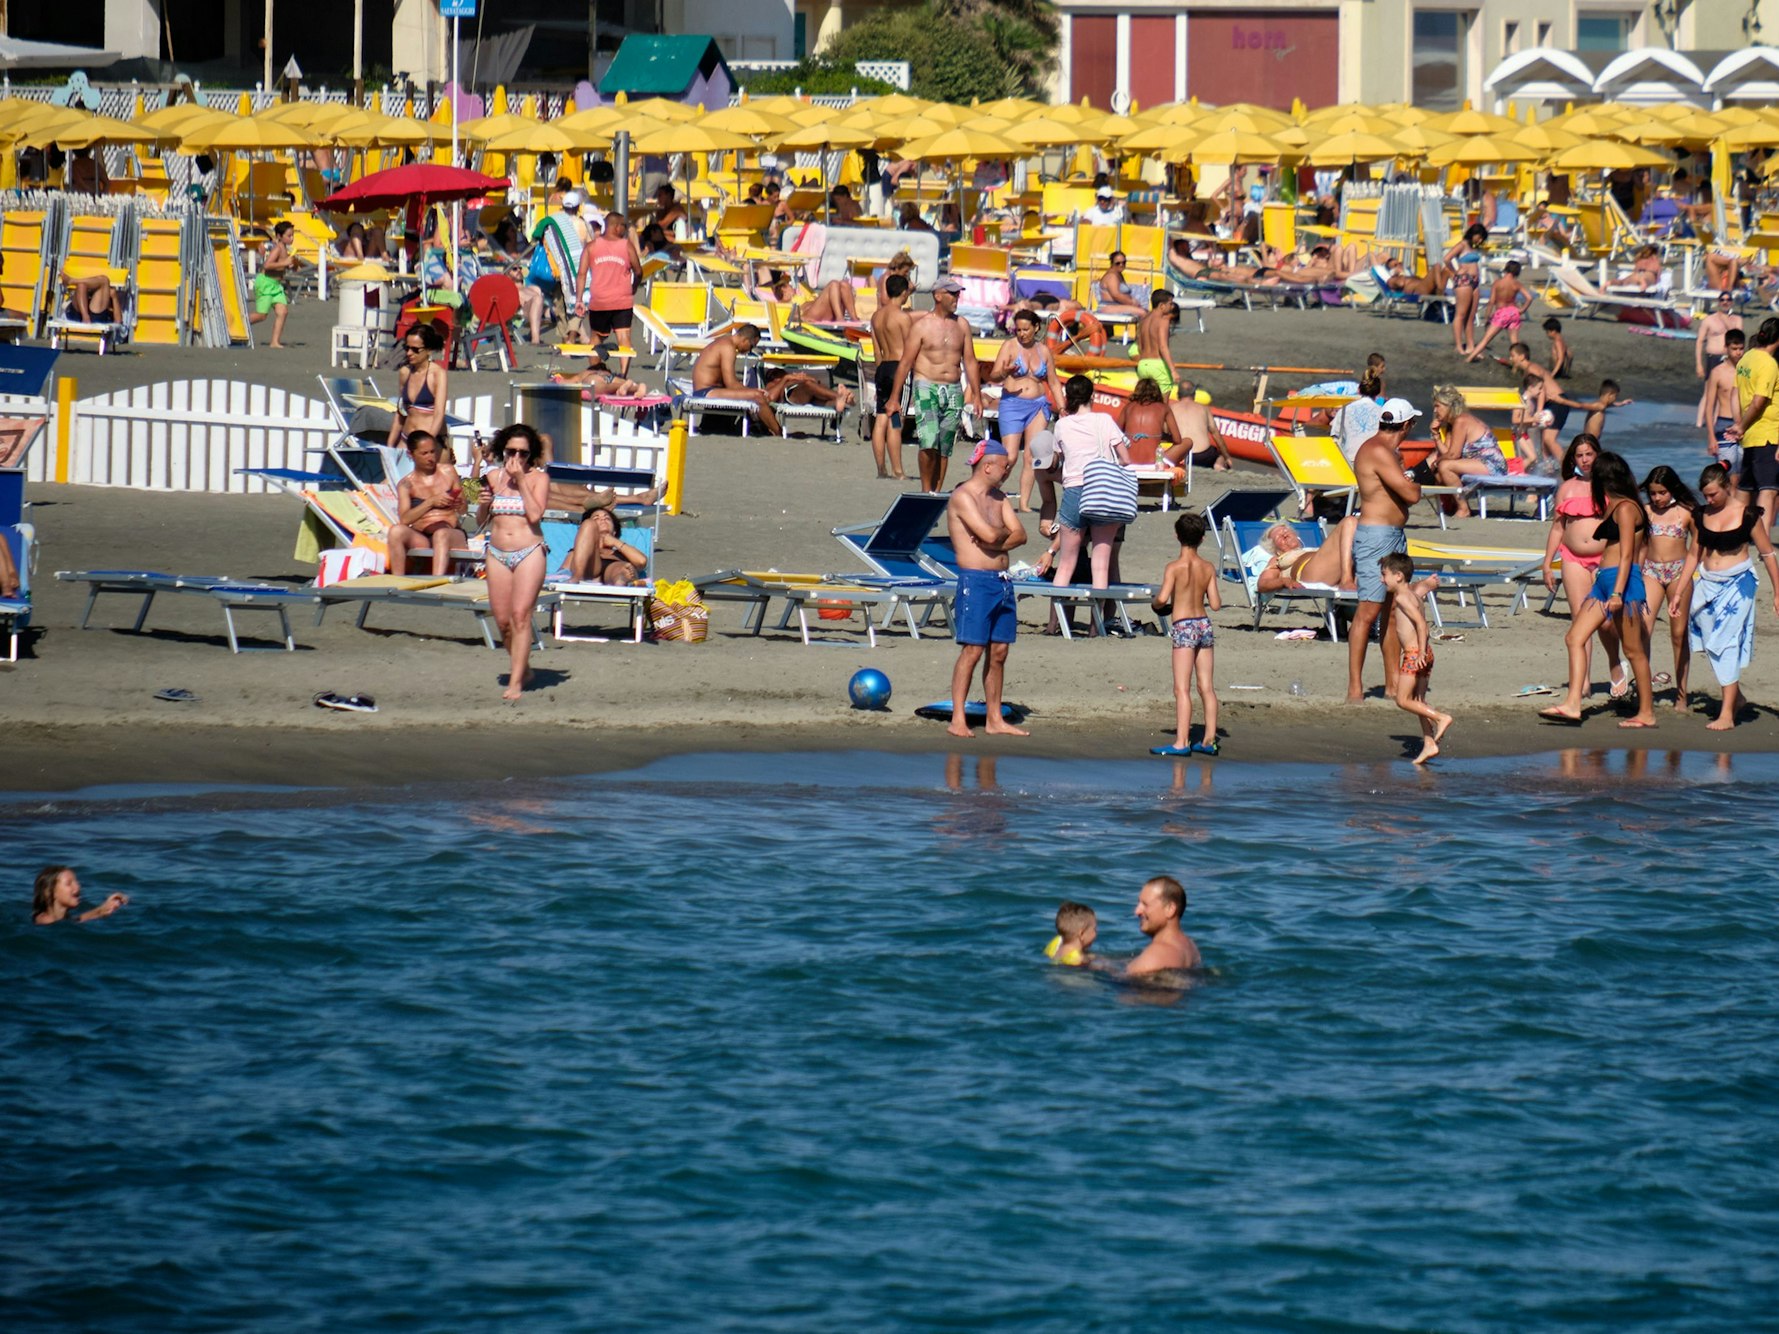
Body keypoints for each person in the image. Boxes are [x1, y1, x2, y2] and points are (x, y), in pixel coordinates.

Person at [1540, 451, 1658, 728]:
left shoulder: (1627, 508)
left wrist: (1617, 593)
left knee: (1633, 650)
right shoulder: (1612, 506)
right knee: (1574, 637)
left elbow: (1628, 554)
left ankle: (1647, 713)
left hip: (1623, 584)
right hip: (1603, 581)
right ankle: (1572, 705)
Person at [1675, 462, 1779, 729]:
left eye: (1714, 494)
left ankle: (1727, 715)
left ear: (1727, 487)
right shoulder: (1701, 514)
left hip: (1739, 583)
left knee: (1727, 643)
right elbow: (1692, 555)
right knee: (1711, 643)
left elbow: (1767, 554)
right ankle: (1738, 698)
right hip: (1707, 583)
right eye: (1706, 495)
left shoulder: (1748, 515)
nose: (1709, 500)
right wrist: (1678, 592)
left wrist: (1778, 592)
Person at [944, 438, 1028, 739]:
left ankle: (994, 718)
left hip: (1002, 582)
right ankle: (958, 718)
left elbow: (1021, 535)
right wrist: (1000, 535)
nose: (1007, 472)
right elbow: (988, 533)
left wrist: (998, 537)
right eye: (1005, 467)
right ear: (988, 465)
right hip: (976, 581)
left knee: (1000, 651)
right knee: (974, 649)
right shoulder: (963, 496)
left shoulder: (1000, 498)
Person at [1347, 399, 1423, 702]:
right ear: (1406, 426)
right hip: (1376, 537)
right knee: (1367, 612)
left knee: (1391, 613)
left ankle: (1392, 684)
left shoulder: (1389, 453)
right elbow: (1410, 494)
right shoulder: (1378, 450)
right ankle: (1355, 688)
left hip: (1392, 535)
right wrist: (1414, 485)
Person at [1542, 433, 1628, 701]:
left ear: (1597, 454)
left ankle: (1616, 665)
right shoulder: (1566, 487)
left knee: (1605, 623)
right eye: (1579, 455)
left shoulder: (1609, 486)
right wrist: (1547, 563)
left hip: (1605, 558)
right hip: (1573, 558)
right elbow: (1558, 527)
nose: (1585, 460)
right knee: (1580, 619)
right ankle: (1583, 682)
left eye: (1589, 454)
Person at [475, 423, 550, 701]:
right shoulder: (492, 476)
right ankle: (524, 668)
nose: (517, 458)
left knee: (521, 615)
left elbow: (535, 516)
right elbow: (477, 520)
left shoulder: (539, 479)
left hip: (529, 549)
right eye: (511, 451)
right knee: (503, 621)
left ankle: (516, 681)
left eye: (523, 453)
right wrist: (482, 502)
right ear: (502, 450)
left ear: (532, 455)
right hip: (496, 552)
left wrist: (521, 481)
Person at [889, 276, 981, 493]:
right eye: (952, 294)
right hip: (926, 386)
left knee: (945, 446)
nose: (957, 298)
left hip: (953, 389)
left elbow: (970, 361)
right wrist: (894, 398)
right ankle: (925, 490)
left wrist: (976, 394)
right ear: (938, 296)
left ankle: (936, 493)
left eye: (958, 293)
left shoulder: (962, 325)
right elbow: (905, 363)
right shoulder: (921, 326)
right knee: (929, 441)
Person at [1051, 374, 1131, 606]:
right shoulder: (1104, 420)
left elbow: (1060, 458)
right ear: (1092, 396)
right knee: (1100, 562)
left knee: (1066, 562)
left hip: (1074, 490)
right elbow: (1125, 458)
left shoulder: (1061, 425)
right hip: (1102, 490)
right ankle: (1096, 627)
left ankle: (1055, 622)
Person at [1150, 511, 1222, 757]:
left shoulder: (1174, 567)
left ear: (1176, 536)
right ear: (1202, 538)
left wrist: (1157, 605)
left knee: (1182, 688)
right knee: (1207, 687)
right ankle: (1209, 740)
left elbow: (1161, 598)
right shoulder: (1208, 567)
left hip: (1183, 626)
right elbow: (1215, 604)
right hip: (1203, 623)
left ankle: (1181, 742)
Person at [1378, 552, 1454, 764]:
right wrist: (1429, 583)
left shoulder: (1402, 598)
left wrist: (1419, 652)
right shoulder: (1412, 594)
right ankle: (1429, 744)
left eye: (1384, 575)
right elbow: (1420, 590)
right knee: (1419, 701)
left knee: (1403, 700)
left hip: (1415, 654)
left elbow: (1422, 624)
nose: (1381, 579)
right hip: (1426, 653)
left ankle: (1441, 718)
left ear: (1399, 576)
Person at [989, 310, 1062, 511]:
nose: (1022, 333)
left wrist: (1062, 407)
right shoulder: (1010, 346)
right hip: (1012, 404)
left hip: (1037, 405)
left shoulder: (1044, 351)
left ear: (1036, 328)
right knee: (1010, 456)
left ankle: (1024, 503)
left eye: (1026, 329)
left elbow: (1054, 383)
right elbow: (994, 375)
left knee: (1031, 455)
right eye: (1018, 329)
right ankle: (988, 490)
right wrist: (1005, 371)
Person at [1640, 465, 1698, 707]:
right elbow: (1639, 545)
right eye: (1653, 493)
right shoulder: (1645, 512)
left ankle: (1681, 694)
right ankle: (1644, 692)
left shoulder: (1686, 512)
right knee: (1643, 630)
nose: (1657, 498)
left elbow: (1698, 545)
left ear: (1672, 489)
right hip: (1651, 571)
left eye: (1662, 493)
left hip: (1679, 573)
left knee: (1678, 634)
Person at [385, 432, 463, 577]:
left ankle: (435, 581)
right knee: (396, 531)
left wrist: (458, 503)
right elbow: (405, 519)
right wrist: (430, 502)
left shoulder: (448, 471)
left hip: (450, 532)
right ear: (411, 454)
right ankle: (398, 581)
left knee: (441, 535)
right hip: (422, 537)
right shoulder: (406, 484)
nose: (430, 457)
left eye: (433, 451)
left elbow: (463, 509)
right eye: (424, 453)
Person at [1726, 317, 1779, 522]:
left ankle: (1735, 530)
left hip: (1750, 436)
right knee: (1768, 489)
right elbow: (1758, 401)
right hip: (1767, 434)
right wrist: (1742, 426)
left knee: (1745, 487)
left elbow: (1735, 393)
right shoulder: (1769, 363)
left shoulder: (1747, 358)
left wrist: (1740, 424)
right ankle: (1763, 540)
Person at [577, 212, 642, 375]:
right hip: (622, 300)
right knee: (624, 338)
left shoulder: (591, 247)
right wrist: (634, 286)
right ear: (616, 226)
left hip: (599, 300)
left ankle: (595, 372)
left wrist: (579, 299)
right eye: (624, 226)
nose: (625, 230)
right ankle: (623, 375)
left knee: (596, 338)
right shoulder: (626, 246)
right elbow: (638, 270)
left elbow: (582, 274)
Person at [691, 324, 784, 437]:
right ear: (745, 340)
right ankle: (778, 432)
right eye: (751, 346)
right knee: (757, 396)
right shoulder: (727, 347)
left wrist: (747, 390)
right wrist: (753, 391)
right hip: (706, 391)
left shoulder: (724, 342)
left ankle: (769, 428)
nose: (749, 350)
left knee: (754, 394)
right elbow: (731, 384)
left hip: (708, 389)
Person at [1427, 385, 1505, 515]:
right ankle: (1451, 506)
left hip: (1491, 464)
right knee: (1440, 473)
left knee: (1445, 466)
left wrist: (1436, 463)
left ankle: (1463, 508)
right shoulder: (1453, 424)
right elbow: (1446, 452)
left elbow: (1453, 455)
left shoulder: (1461, 420)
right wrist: (1436, 435)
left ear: (1449, 406)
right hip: (1475, 463)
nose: (1435, 411)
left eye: (1438, 406)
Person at [870, 273, 913, 479]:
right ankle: (898, 470)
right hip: (899, 368)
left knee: (880, 418)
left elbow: (876, 351)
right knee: (896, 418)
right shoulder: (902, 317)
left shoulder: (877, 317)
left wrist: (881, 371)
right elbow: (910, 350)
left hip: (883, 367)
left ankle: (881, 468)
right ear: (904, 293)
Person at [387, 323, 448, 448]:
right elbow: (401, 412)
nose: (409, 353)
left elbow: (438, 414)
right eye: (406, 348)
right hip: (406, 439)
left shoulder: (437, 374)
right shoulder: (405, 372)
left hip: (431, 439)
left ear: (428, 350)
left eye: (415, 349)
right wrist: (389, 445)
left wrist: (427, 445)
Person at [1255, 518, 1357, 592]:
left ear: (1296, 536)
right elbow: (1262, 584)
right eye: (1279, 537)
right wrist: (1283, 581)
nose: (1284, 535)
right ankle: (1346, 580)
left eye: (1286, 531)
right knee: (1349, 522)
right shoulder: (1276, 559)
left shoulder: (1309, 550)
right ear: (1276, 549)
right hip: (1309, 573)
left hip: (1330, 570)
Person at [1126, 876, 1200, 978]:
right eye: (1139, 903)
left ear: (1170, 909)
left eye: (1145, 905)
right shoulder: (1190, 946)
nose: (1137, 911)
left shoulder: (1154, 956)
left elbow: (1126, 990)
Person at [1463, 260, 1530, 363]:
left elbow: (1491, 301)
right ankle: (1520, 362)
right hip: (1513, 312)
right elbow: (1529, 298)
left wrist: (1487, 317)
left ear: (1506, 269)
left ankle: (1469, 359)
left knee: (1486, 339)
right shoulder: (1517, 284)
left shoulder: (1498, 283)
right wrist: (1522, 310)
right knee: (1514, 341)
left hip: (1502, 313)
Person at [566, 502, 647, 586]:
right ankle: (578, 577)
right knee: (588, 523)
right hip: (588, 568)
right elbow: (563, 571)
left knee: (622, 569)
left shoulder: (621, 553)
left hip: (612, 569)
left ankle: (621, 582)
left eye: (607, 518)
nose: (602, 519)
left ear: (614, 531)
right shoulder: (581, 550)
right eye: (596, 518)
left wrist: (615, 542)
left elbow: (641, 561)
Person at [1702, 329, 1746, 477]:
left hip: (1744, 423)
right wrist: (1710, 437)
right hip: (1723, 424)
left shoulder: (1748, 370)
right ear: (1726, 348)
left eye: (1741, 348)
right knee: (1726, 476)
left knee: (1744, 477)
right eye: (1734, 349)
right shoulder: (1717, 372)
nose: (1738, 353)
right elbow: (1709, 407)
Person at [1327, 358, 1387, 464]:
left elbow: (1334, 438)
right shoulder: (1382, 413)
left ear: (1358, 390)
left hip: (1349, 461)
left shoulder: (1345, 410)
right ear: (1377, 391)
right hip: (1374, 461)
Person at [1161, 382, 1232, 471]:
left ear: (1178, 394)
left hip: (1182, 454)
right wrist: (1227, 457)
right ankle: (1218, 465)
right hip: (1203, 455)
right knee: (1219, 456)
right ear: (1194, 394)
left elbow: (1165, 431)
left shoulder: (1171, 408)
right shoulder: (1204, 408)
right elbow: (1215, 434)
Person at [250, 220, 298, 348]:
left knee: (283, 312)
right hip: (265, 283)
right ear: (279, 236)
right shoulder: (277, 248)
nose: (292, 238)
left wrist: (291, 265)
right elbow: (267, 265)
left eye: (292, 235)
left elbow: (283, 266)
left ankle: (275, 342)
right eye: (289, 236)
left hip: (276, 286)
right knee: (261, 315)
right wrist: (284, 263)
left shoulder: (285, 249)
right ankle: (241, 324)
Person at [1445, 224, 1489, 356]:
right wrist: (1454, 273)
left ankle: (1471, 346)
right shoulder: (1462, 245)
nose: (1480, 241)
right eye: (1479, 237)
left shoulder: (1472, 247)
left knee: (1471, 316)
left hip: (1474, 282)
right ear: (1473, 234)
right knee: (1461, 314)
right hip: (1464, 280)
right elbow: (1447, 259)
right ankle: (1459, 346)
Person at [32, 866, 127, 925]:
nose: (78, 886)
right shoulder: (45, 920)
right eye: (69, 883)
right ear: (49, 892)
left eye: (77, 882)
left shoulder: (65, 919)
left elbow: (79, 919)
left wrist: (105, 908)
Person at [1134, 289, 1179, 397]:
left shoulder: (1143, 320)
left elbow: (1139, 346)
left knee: (1144, 401)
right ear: (1162, 306)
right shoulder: (1163, 321)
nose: (1172, 306)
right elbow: (1163, 347)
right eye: (1170, 303)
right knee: (1162, 407)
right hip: (1158, 365)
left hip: (1143, 365)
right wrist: (1173, 370)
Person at [1119, 377, 1169, 464]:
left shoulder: (1128, 407)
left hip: (1129, 461)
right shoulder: (1163, 408)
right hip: (1154, 462)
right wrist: (1157, 436)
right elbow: (1177, 440)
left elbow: (1116, 433)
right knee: (1187, 441)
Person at [1696, 291, 1743, 381]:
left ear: (1732, 302)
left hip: (1730, 358)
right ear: (1719, 302)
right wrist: (1699, 364)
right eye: (1722, 300)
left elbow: (1738, 338)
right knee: (1710, 390)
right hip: (1713, 358)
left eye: (1728, 300)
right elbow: (1699, 341)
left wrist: (1725, 319)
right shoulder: (1709, 320)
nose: (1725, 302)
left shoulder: (1737, 319)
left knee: (1728, 389)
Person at [1044, 901, 1097, 967]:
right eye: (1094, 929)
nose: (1096, 933)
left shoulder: (1057, 941)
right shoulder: (1079, 960)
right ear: (1082, 934)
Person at [1095, 252, 1145, 317]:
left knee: (1144, 311)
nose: (1121, 265)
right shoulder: (1111, 276)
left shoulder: (1118, 274)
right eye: (1118, 263)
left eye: (1123, 262)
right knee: (1143, 313)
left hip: (1117, 306)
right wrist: (1132, 303)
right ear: (1112, 264)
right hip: (1109, 306)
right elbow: (1116, 295)